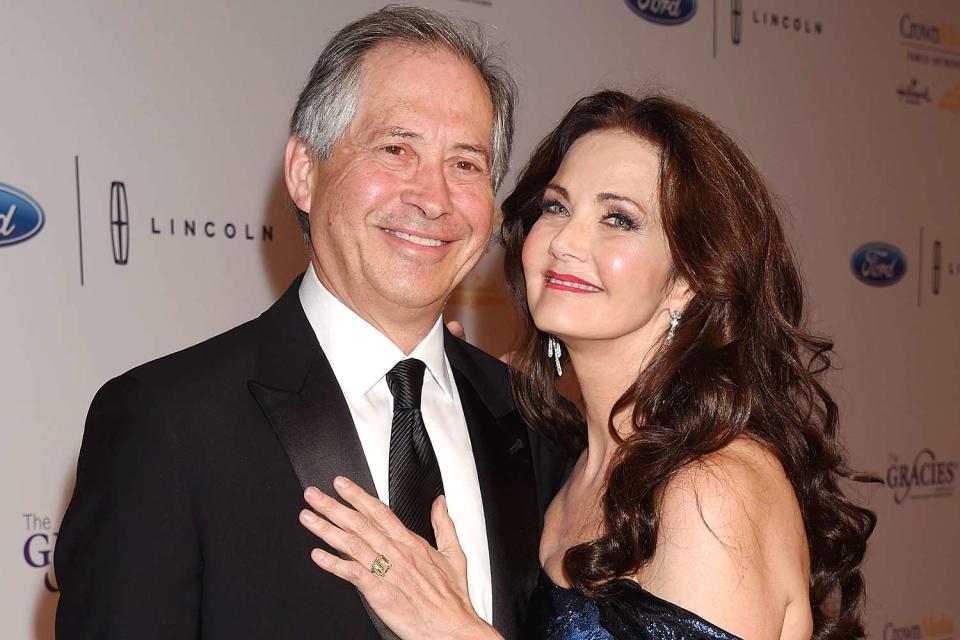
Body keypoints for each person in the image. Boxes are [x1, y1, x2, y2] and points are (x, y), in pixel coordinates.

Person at [54, 6, 567, 639]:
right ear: (304, 171)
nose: (433, 198)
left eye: (466, 164)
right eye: (396, 148)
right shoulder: (166, 424)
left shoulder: (540, 428)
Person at [297, 91, 878, 640]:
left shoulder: (711, 487)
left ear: (689, 280)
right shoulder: (571, 462)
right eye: (557, 206)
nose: (565, 240)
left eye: (619, 218)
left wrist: (456, 629)